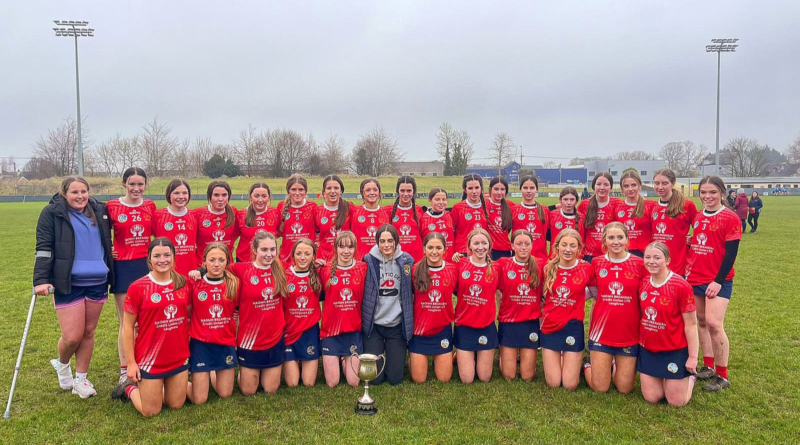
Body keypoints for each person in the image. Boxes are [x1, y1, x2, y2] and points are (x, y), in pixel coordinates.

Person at [35, 176, 114, 398]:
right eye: (74, 192)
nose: (80, 196)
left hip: (98, 280)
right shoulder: (52, 213)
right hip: (68, 282)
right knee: (72, 336)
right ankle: (62, 363)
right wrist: (40, 280)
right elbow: (43, 248)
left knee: (88, 332)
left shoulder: (100, 211)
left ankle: (81, 379)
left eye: (83, 192)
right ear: (64, 194)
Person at [118, 238, 190, 416]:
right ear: (149, 259)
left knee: (176, 405)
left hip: (178, 356)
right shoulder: (138, 287)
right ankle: (129, 389)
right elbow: (127, 327)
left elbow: (191, 313)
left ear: (173, 257)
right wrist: (131, 363)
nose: (162, 260)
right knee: (151, 411)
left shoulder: (183, 283)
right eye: (157, 256)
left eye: (167, 255)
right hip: (150, 359)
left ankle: (161, 388)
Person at [687, 176, 741, 391]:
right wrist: (690, 241)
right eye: (703, 192)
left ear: (722, 193)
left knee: (714, 323)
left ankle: (722, 375)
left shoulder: (730, 218)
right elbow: (705, 243)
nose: (707, 196)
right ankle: (708, 366)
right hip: (695, 277)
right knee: (700, 321)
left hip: (717, 280)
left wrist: (718, 281)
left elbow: (730, 253)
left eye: (713, 192)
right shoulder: (699, 216)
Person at [106, 167, 156, 396]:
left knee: (146, 320)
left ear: (146, 185)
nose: (136, 188)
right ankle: (125, 369)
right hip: (124, 268)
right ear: (124, 184)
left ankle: (145, 363)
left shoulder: (150, 206)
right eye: (132, 184)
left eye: (140, 184)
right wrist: (109, 251)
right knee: (128, 322)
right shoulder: (112, 206)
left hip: (146, 267)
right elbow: (100, 234)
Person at [584, 223, 646, 394]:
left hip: (629, 334)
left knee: (625, 389)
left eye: (620, 237)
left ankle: (610, 364)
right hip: (601, 332)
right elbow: (590, 291)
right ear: (604, 240)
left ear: (627, 239)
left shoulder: (639, 264)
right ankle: (588, 365)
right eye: (611, 238)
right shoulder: (597, 262)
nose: (616, 242)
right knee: (600, 388)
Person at [638, 242, 699, 406]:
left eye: (657, 257)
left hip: (674, 349)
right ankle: (668, 380)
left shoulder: (681, 286)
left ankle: (690, 379)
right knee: (652, 397)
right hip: (649, 349)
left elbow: (691, 325)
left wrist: (693, 357)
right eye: (648, 257)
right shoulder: (643, 282)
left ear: (668, 260)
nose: (651, 261)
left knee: (676, 402)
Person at [228, 232, 288, 395]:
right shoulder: (241, 269)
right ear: (254, 250)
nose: (269, 254)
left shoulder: (282, 268)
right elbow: (217, 268)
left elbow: (304, 266)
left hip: (275, 337)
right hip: (250, 340)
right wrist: (199, 271)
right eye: (264, 250)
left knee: (271, 389)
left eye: (272, 249)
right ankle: (242, 372)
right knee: (248, 391)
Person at [540, 229, 594, 391]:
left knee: (570, 385)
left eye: (573, 246)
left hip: (573, 326)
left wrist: (576, 298)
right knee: (554, 383)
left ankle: (586, 365)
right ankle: (563, 359)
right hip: (550, 326)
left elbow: (595, 292)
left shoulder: (586, 268)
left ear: (579, 249)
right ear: (557, 247)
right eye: (564, 245)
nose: (568, 249)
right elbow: (542, 294)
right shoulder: (548, 268)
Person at [185, 243, 239, 405]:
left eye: (221, 260)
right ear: (204, 263)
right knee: (199, 400)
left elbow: (238, 310)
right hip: (201, 344)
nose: (216, 264)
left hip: (225, 343)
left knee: (225, 394)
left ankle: (211, 371)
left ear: (227, 263)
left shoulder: (234, 283)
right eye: (212, 260)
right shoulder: (194, 283)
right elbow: (188, 312)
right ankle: (176, 383)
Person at [362, 224, 415, 385]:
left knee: (395, 378)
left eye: (390, 241)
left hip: (396, 326)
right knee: (375, 380)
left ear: (396, 241)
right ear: (377, 242)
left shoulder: (406, 261)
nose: (386, 245)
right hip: (374, 325)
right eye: (382, 241)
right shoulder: (368, 260)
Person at [319, 231, 366, 387]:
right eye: (342, 247)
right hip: (331, 332)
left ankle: (346, 359)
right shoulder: (324, 270)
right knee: (332, 382)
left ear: (355, 249)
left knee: (353, 382)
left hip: (353, 331)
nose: (346, 251)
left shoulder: (362, 268)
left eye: (350, 247)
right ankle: (338, 357)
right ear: (335, 248)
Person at [496, 230, 544, 381]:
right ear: (512, 246)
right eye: (519, 244)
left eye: (527, 244)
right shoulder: (503, 264)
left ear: (532, 245)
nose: (523, 247)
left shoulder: (541, 264)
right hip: (508, 322)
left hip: (530, 323)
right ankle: (502, 355)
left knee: (527, 376)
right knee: (509, 376)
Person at [409, 233, 457, 383]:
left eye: (438, 248)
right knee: (419, 379)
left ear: (445, 250)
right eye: (430, 247)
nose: (434, 251)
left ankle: (455, 356)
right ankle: (413, 356)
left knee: (444, 378)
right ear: (424, 249)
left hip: (442, 330)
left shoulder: (453, 269)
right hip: (420, 332)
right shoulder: (415, 269)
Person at [454, 228, 499, 384]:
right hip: (464, 326)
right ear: (470, 246)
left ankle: (472, 354)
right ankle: (461, 354)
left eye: (484, 243)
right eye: (476, 243)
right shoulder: (460, 264)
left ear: (489, 245)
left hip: (486, 326)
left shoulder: (496, 268)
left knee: (484, 378)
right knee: (467, 379)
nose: (480, 247)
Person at [283, 239, 322, 387]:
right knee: (292, 383)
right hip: (289, 331)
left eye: (307, 253)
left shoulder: (319, 274)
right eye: (298, 253)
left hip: (309, 332)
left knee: (308, 383)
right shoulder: (284, 274)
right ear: (293, 255)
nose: (302, 257)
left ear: (313, 256)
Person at [651, 169, 697, 275]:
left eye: (665, 183)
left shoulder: (687, 205)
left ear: (673, 184)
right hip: (656, 263)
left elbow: (701, 228)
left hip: (678, 264)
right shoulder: (652, 206)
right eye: (657, 183)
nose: (660, 187)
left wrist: (692, 240)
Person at [152, 179, 198, 277]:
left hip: (190, 270)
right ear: (169, 194)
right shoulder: (158, 215)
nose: (181, 197)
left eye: (185, 193)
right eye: (176, 193)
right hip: (166, 269)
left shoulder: (195, 215)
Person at [194, 180, 239, 263]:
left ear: (229, 196)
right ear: (209, 196)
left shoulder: (234, 212)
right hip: (203, 266)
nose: (220, 199)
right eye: (216, 195)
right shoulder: (198, 214)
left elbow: (235, 235)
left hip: (226, 265)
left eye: (224, 195)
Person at [578, 173, 619, 263]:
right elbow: (579, 231)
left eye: (606, 184)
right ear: (593, 186)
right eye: (599, 184)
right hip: (589, 255)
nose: (602, 188)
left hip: (611, 254)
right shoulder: (584, 205)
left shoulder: (617, 204)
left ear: (611, 187)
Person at [277, 174, 317, 263]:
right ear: (288, 191)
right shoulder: (281, 207)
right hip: (286, 258)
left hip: (307, 257)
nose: (297, 193)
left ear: (306, 191)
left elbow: (318, 231)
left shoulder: (312, 207)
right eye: (293, 189)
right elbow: (278, 231)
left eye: (301, 189)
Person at [236, 182, 280, 263]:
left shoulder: (275, 213)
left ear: (269, 198)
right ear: (250, 197)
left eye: (264, 196)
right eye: (256, 196)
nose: (260, 200)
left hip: (268, 260)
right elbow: (233, 236)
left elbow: (280, 231)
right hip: (245, 261)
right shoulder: (241, 214)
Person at [616, 171, 655, 257]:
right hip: (623, 253)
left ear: (639, 185)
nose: (630, 189)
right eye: (626, 186)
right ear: (622, 188)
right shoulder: (617, 207)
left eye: (633, 185)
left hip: (645, 254)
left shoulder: (651, 206)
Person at [451, 174, 490, 258]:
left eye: (477, 187)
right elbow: (451, 232)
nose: (474, 191)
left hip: (481, 251)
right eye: (470, 188)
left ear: (481, 188)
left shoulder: (488, 207)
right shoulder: (458, 208)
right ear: (465, 190)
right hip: (462, 252)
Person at [315, 175, 351, 263]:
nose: (332, 191)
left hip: (345, 259)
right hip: (324, 260)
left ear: (341, 190)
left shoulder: (349, 208)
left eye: (336, 188)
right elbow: (314, 235)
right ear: (324, 191)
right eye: (329, 188)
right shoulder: (317, 210)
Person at [511, 175, 549, 260]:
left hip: (540, 258)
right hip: (519, 257)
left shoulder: (544, 210)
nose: (528, 191)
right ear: (520, 189)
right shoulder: (514, 209)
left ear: (537, 189)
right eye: (525, 188)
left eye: (532, 188)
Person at [350, 178, 389, 261]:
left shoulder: (387, 212)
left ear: (379, 193)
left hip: (382, 261)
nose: (372, 193)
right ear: (362, 193)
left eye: (375, 190)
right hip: (359, 261)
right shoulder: (354, 211)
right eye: (368, 190)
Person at [388, 176, 424, 262]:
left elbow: (423, 234)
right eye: (402, 190)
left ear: (414, 191)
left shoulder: (419, 210)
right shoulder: (388, 210)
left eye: (409, 191)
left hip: (417, 257)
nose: (405, 194)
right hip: (395, 257)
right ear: (397, 191)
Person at [548, 186, 584, 258]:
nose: (569, 203)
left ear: (576, 201)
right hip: (555, 258)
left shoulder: (582, 217)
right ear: (560, 200)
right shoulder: (552, 215)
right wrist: (555, 206)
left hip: (576, 258)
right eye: (565, 199)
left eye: (572, 199)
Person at [419, 187, 454, 257]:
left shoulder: (449, 215)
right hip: (431, 260)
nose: (441, 202)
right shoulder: (423, 218)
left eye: (444, 199)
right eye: (437, 199)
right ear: (430, 201)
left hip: (449, 260)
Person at [486, 177, 514, 260]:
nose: (499, 192)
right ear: (490, 190)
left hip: (505, 250)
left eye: (502, 189)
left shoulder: (511, 206)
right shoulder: (483, 205)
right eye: (496, 189)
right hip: (487, 250)